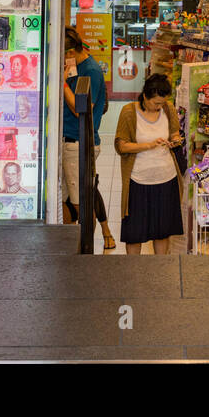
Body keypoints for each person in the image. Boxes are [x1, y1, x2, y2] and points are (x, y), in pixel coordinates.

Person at [114, 73, 185, 255]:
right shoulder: (129, 112)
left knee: (162, 231)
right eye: (155, 103)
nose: (159, 107)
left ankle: (158, 270)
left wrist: (175, 141)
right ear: (145, 96)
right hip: (138, 181)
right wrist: (149, 145)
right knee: (134, 233)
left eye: (162, 103)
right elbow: (121, 146)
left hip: (166, 179)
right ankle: (133, 271)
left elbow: (175, 133)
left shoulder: (168, 109)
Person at [62, 26, 115, 250]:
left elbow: (80, 108)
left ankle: (85, 252)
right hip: (65, 141)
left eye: (63, 55)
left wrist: (61, 82)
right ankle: (67, 247)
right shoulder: (75, 66)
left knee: (82, 201)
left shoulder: (90, 71)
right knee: (64, 199)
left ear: (71, 53)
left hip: (79, 143)